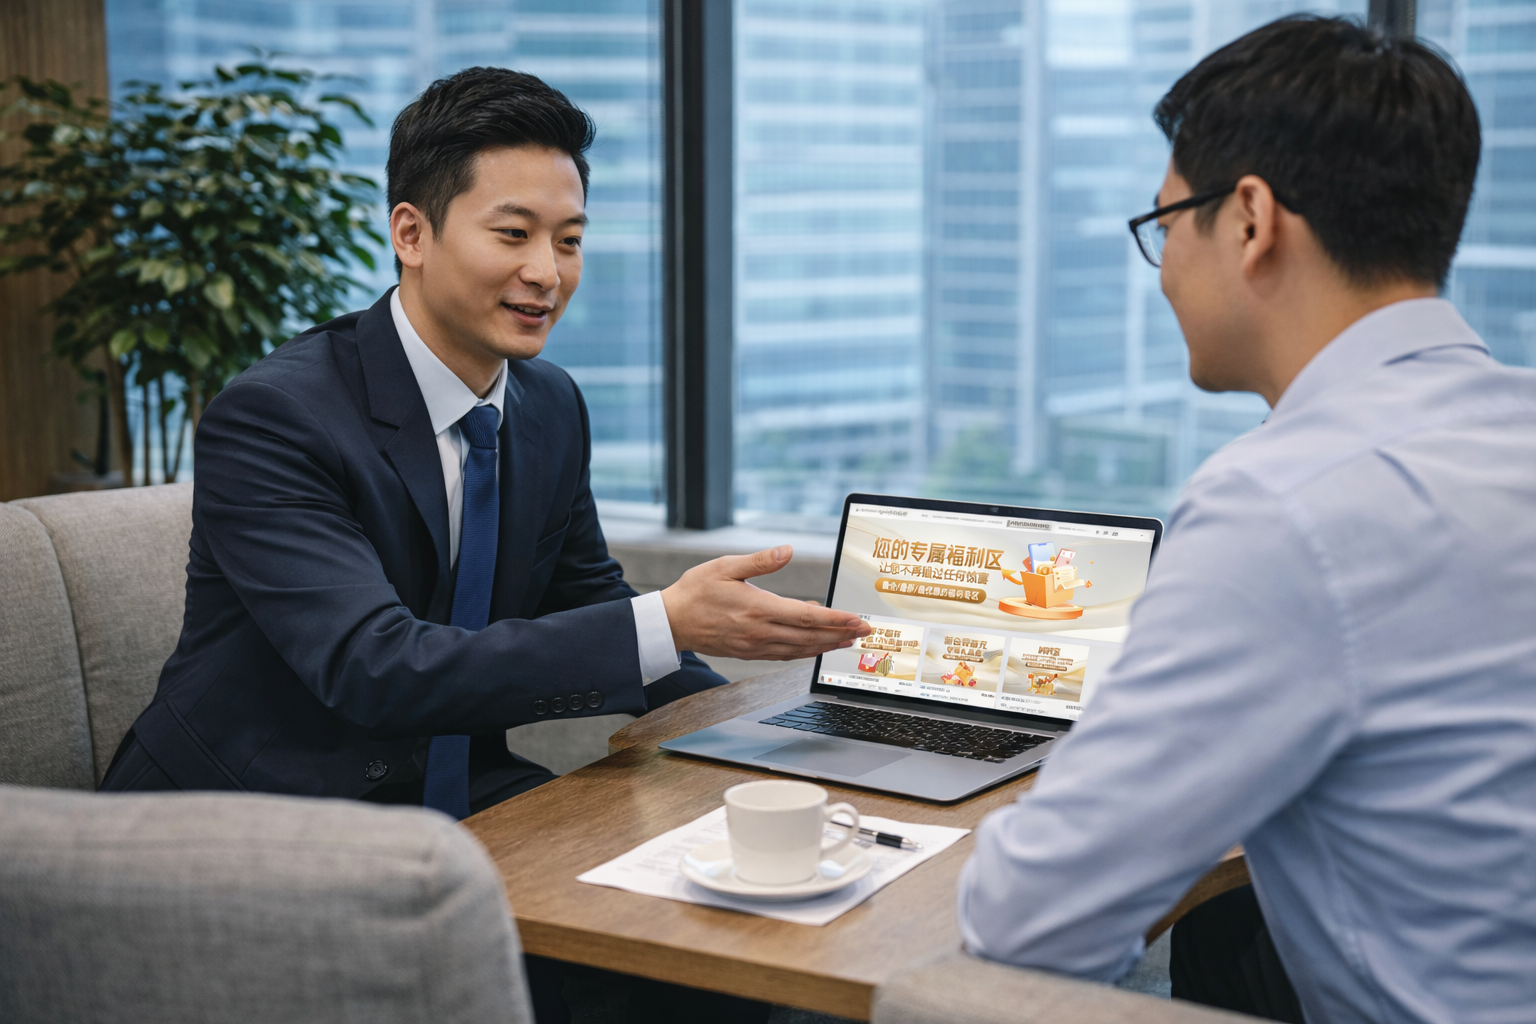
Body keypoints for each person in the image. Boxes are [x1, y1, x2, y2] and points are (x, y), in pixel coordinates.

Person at [101, 67, 869, 1022]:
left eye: (570, 240)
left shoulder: (547, 403)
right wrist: (668, 621)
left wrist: (771, 744)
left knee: (758, 960)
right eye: (513, 234)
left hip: (464, 799)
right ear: (411, 233)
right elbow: (376, 667)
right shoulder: (278, 417)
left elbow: (587, 596)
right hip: (256, 823)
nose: (547, 272)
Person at [956, 16, 1536, 1024]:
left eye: (1166, 225)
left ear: (1250, 219)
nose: (1167, 268)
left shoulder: (1284, 503)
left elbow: (1028, 924)